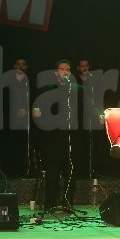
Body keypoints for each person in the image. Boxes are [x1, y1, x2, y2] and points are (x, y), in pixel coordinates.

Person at [34, 59, 81, 211]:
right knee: (52, 175)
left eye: (68, 69)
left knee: (70, 173)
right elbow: (37, 107)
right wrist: (37, 112)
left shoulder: (76, 90)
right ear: (56, 72)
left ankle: (67, 204)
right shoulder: (47, 89)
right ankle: (50, 205)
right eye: (62, 69)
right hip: (52, 138)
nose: (65, 72)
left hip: (70, 138)